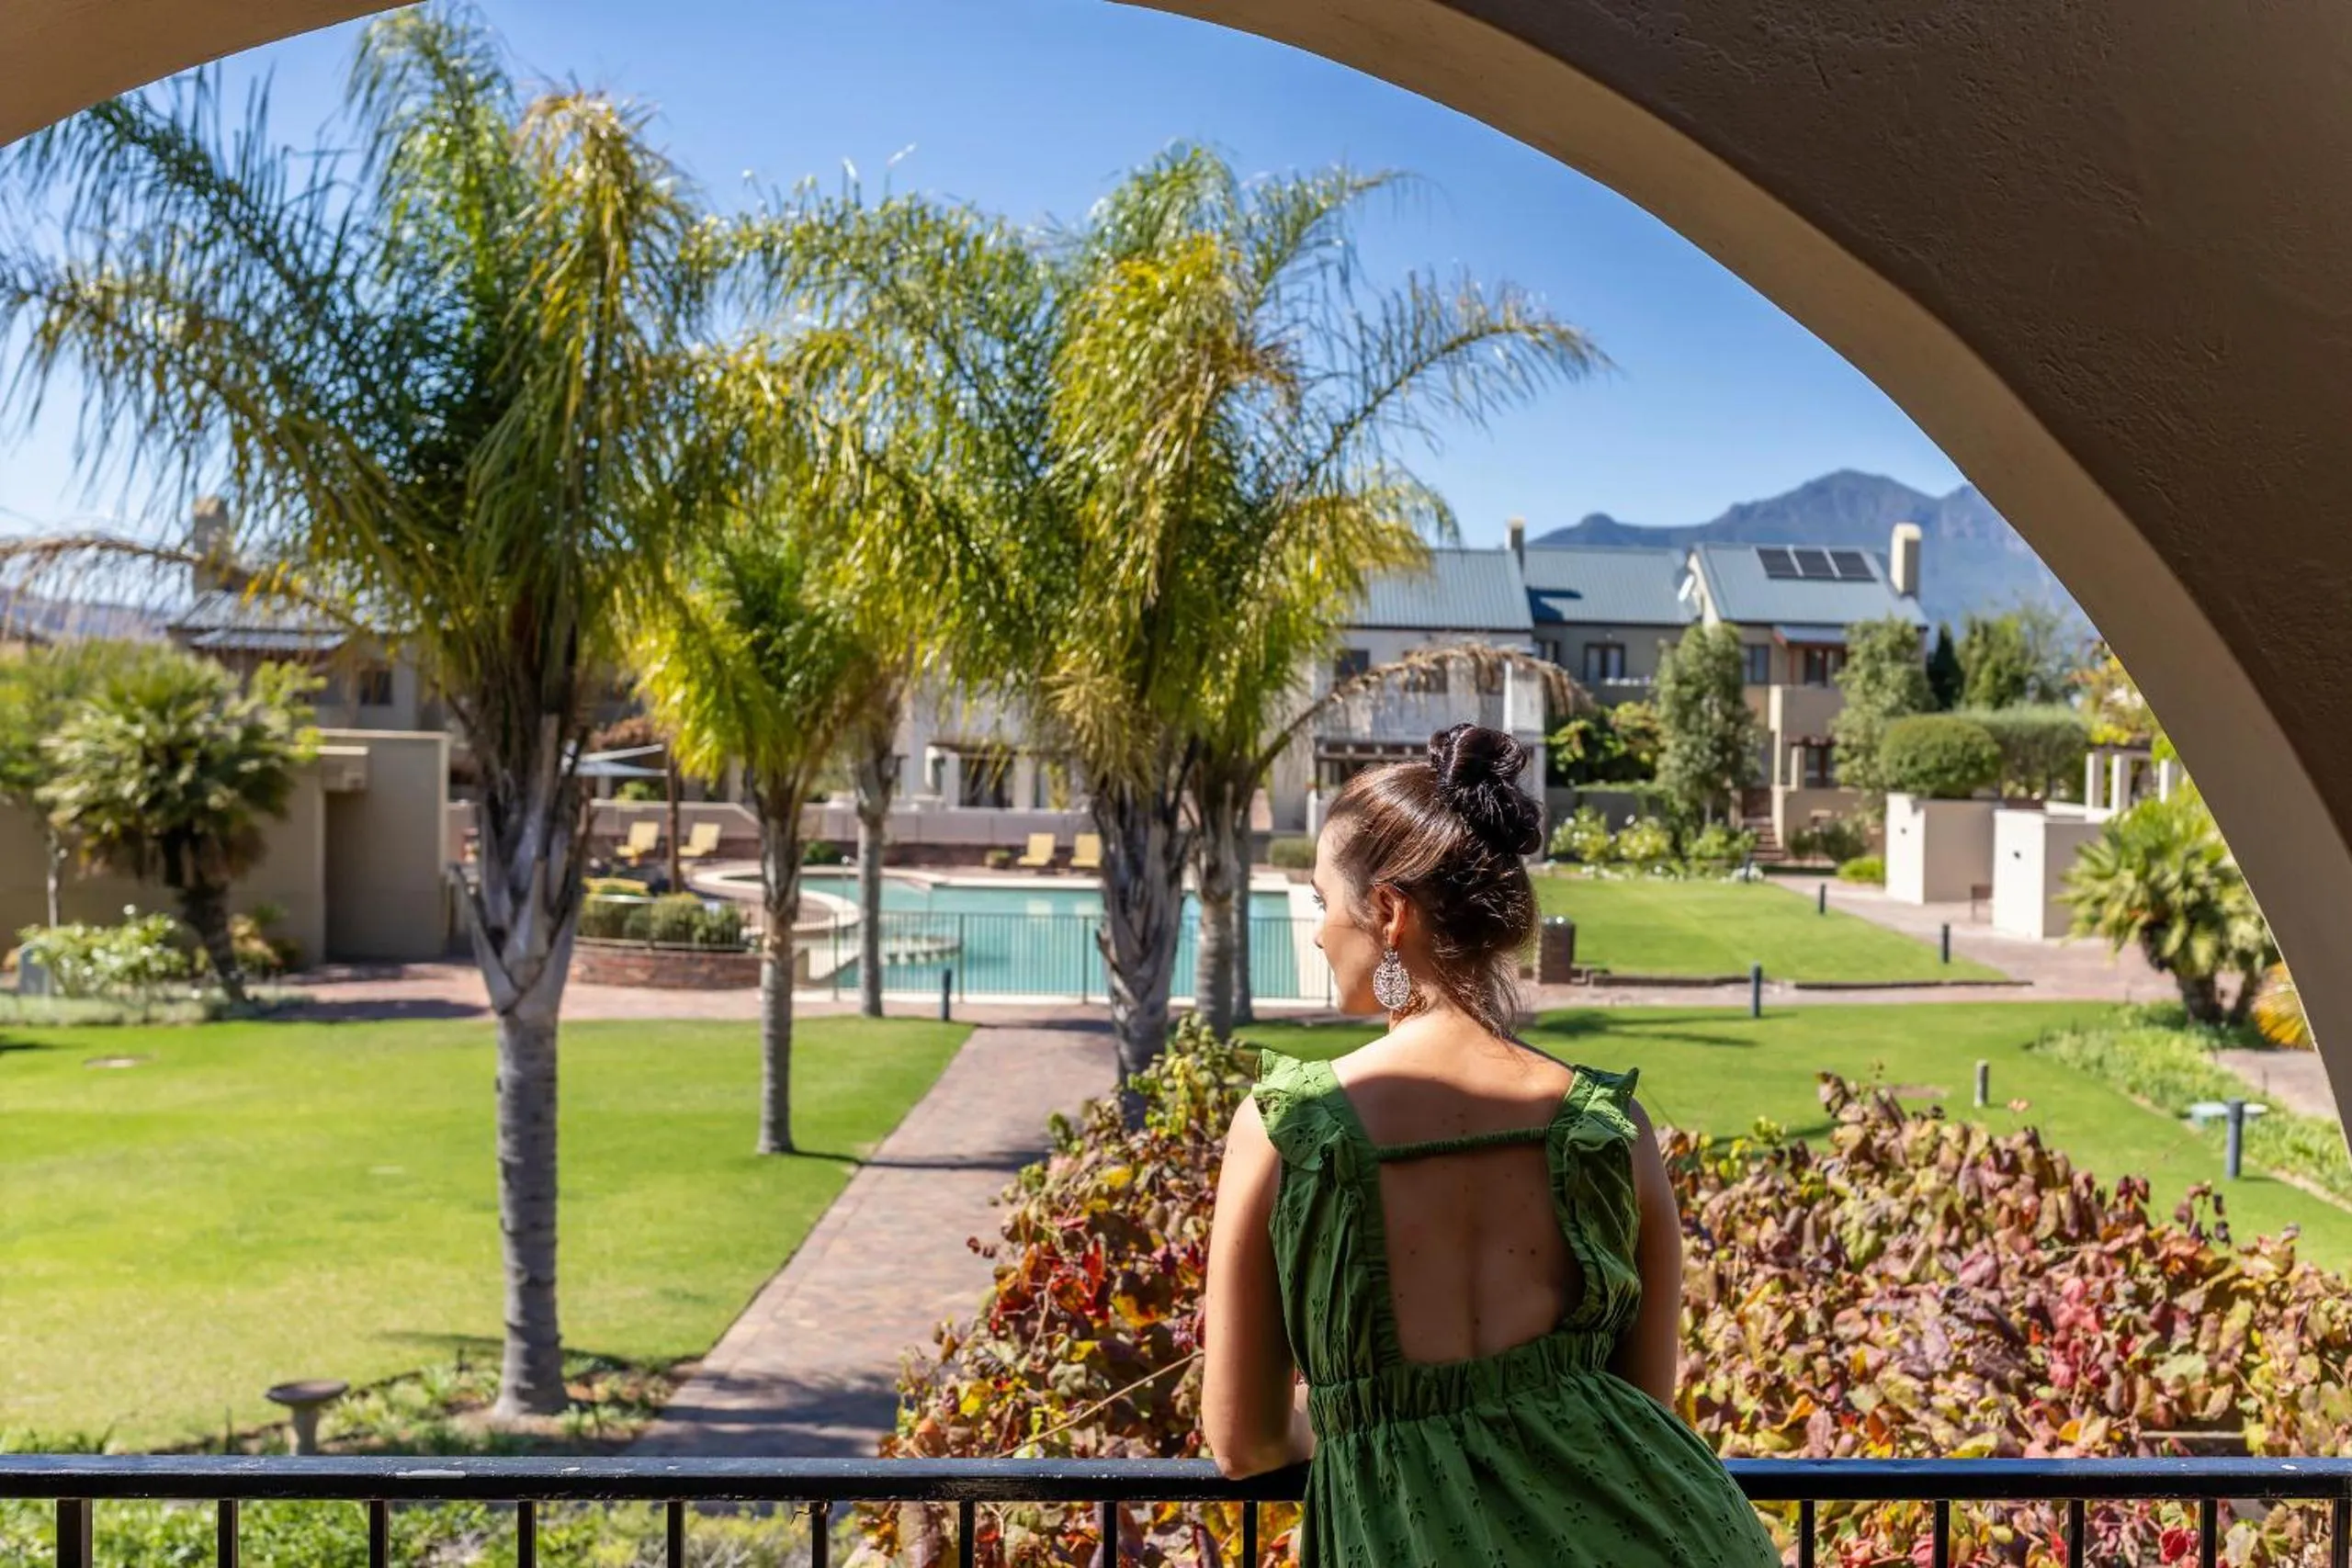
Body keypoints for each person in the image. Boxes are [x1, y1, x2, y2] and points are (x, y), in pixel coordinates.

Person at [1200, 724, 1778, 1567]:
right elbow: (1641, 1406)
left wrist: (1357, 1416)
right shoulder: (1607, 1128)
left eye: (1324, 902)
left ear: (1388, 912)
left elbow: (1244, 1442)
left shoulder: (1291, 1130)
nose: (1320, 932)